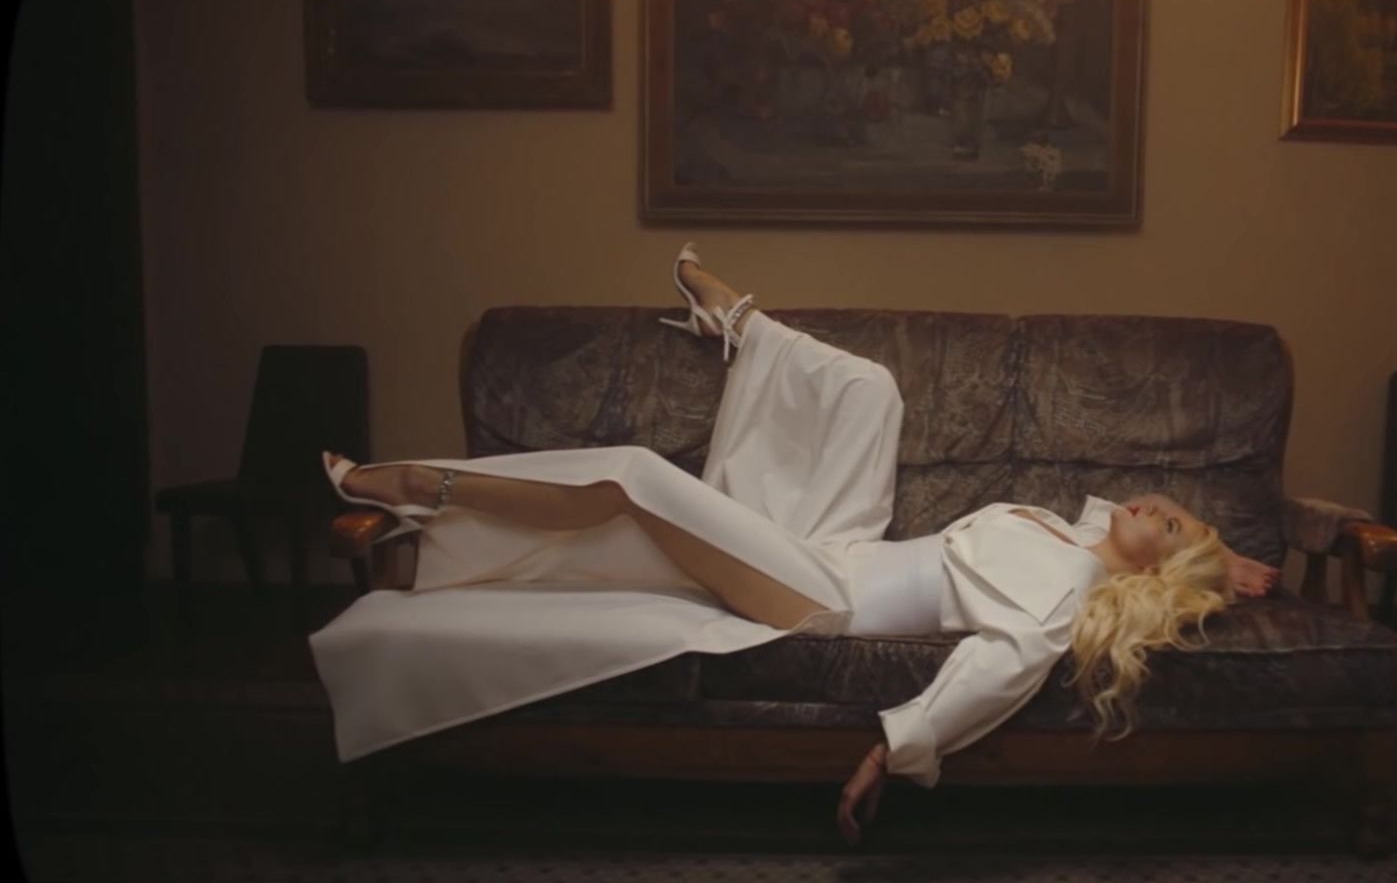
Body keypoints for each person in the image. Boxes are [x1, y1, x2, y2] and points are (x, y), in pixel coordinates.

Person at [317, 244, 1280, 844]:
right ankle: (741, 324)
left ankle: (417, 487)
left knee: (639, 479)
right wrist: (1217, 556)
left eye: (1169, 526)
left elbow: (1003, 665)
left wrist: (894, 750)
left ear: (1153, 565)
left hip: (820, 592)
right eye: (1170, 512)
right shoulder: (1071, 533)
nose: (1157, 507)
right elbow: (1119, 517)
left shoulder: (1063, 587)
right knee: (872, 390)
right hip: (840, 543)